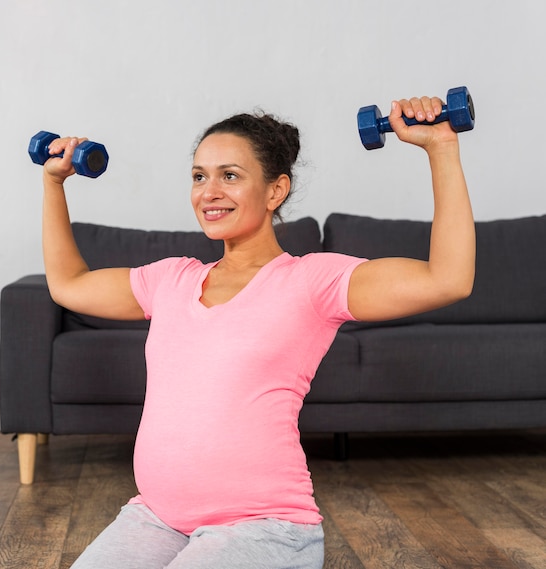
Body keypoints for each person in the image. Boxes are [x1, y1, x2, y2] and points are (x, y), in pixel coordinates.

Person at [42, 94, 475, 569]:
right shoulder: (170, 280)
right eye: (199, 176)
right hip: (159, 518)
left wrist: (441, 148)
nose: (209, 192)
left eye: (230, 175)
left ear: (275, 190)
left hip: (265, 526)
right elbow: (69, 285)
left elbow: (448, 279)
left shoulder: (312, 281)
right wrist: (53, 183)